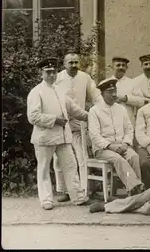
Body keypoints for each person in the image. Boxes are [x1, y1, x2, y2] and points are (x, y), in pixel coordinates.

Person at [27, 58, 90, 210]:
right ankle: (47, 200)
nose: (51, 75)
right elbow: (33, 117)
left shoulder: (60, 90)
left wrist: (91, 115)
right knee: (43, 169)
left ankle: (77, 197)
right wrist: (54, 119)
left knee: (70, 165)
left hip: (63, 137)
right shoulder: (36, 92)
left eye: (54, 72)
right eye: (48, 72)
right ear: (41, 73)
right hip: (44, 138)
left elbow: (74, 109)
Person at [53, 52, 102, 202]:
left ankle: (84, 189)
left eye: (76, 62)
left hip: (78, 124)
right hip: (62, 124)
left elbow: (96, 95)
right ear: (64, 64)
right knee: (58, 159)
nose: (74, 65)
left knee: (81, 157)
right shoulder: (58, 78)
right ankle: (64, 190)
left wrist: (101, 110)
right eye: (70, 63)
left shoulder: (85, 77)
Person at [88, 79, 144, 196]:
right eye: (109, 92)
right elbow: (94, 136)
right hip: (103, 149)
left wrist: (126, 143)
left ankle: (134, 190)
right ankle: (136, 189)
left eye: (115, 91)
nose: (113, 94)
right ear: (102, 93)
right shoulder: (94, 111)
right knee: (118, 160)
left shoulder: (121, 109)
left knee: (134, 156)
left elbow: (129, 129)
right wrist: (111, 146)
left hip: (122, 145)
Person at [107, 56, 143, 126]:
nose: (121, 67)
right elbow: (99, 102)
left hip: (128, 123)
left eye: (123, 65)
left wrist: (126, 98)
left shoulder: (133, 83)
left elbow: (141, 101)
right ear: (112, 67)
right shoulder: (105, 83)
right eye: (118, 65)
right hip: (110, 124)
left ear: (127, 68)